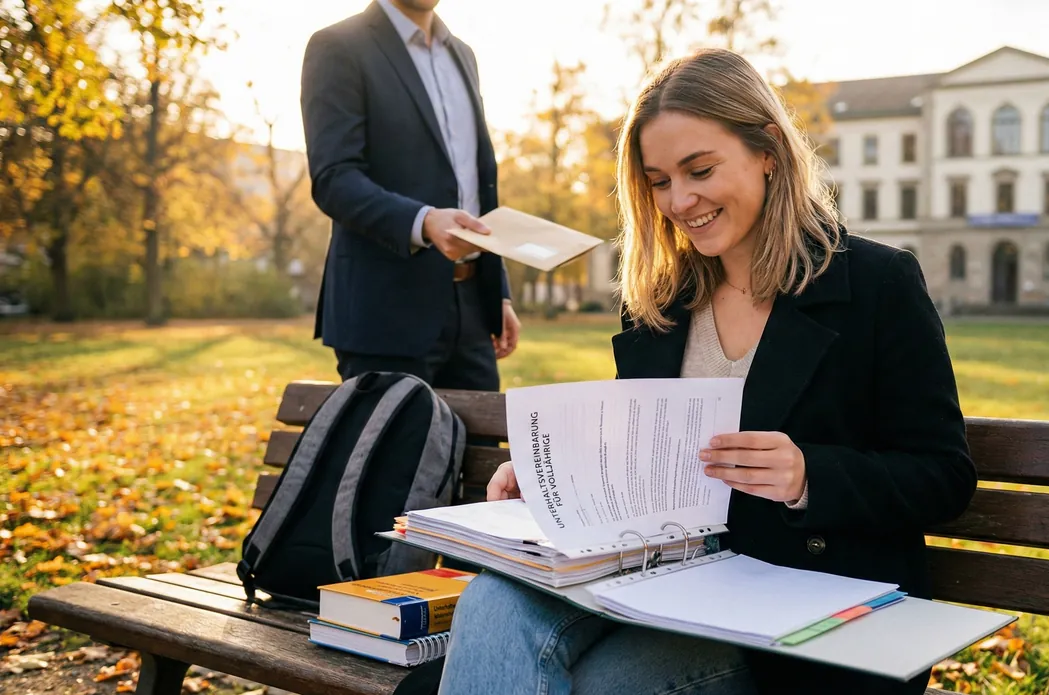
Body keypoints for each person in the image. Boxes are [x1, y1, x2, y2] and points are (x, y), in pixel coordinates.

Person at [437, 48, 977, 695]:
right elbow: (639, 453)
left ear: (768, 149)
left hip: (798, 617)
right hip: (651, 583)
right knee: (491, 605)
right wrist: (555, 476)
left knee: (602, 687)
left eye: (699, 169)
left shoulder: (876, 284)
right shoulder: (660, 302)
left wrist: (810, 474)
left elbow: (943, 476)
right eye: (659, 180)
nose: (679, 199)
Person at [300, 0, 520, 388]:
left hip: (471, 312)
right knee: (397, 450)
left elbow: (475, 183)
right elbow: (334, 177)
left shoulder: (463, 55)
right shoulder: (338, 46)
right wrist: (424, 222)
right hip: (384, 317)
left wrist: (497, 293)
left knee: (483, 449)